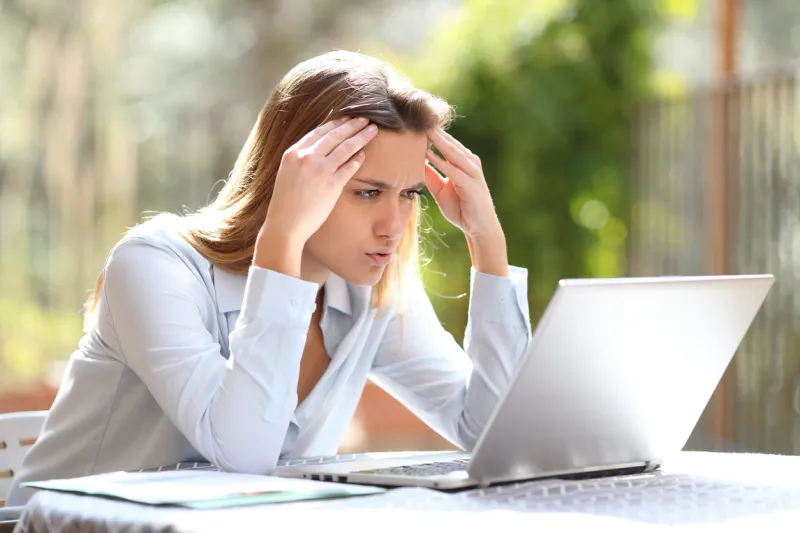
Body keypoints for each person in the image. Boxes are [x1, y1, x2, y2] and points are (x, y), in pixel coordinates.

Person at [6, 50, 531, 506]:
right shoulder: (153, 266)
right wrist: (281, 239)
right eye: (367, 192)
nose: (393, 227)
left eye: (409, 194)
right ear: (297, 175)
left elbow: (495, 434)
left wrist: (488, 244)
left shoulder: (372, 289)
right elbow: (243, 453)